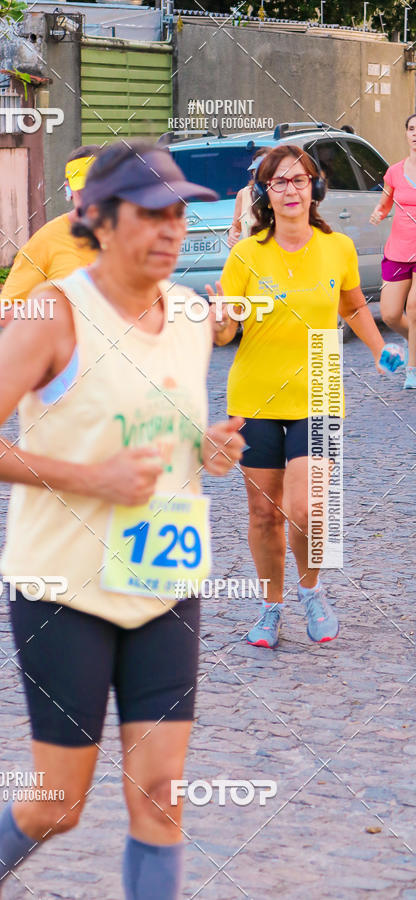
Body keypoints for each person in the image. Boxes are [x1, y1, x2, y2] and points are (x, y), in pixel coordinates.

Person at [0, 140, 245, 900]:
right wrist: (92, 478)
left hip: (165, 575)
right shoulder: (54, 314)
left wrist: (205, 449)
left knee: (161, 788)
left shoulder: (190, 316)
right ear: (99, 222)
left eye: (180, 212)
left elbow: (156, 423)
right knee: (59, 804)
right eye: (151, 213)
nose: (173, 229)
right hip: (62, 587)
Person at [213, 144, 398, 649]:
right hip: (254, 396)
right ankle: (271, 606)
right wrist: (220, 319)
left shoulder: (335, 248)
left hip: (318, 387)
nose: (290, 189)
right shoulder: (247, 255)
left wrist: (382, 350)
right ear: (265, 194)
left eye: (299, 180)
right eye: (279, 182)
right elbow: (227, 335)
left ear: (314, 188)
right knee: (263, 513)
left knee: (308, 509)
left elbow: (354, 305)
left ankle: (311, 590)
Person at [0, 144, 100, 327]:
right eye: (83, 191)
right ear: (68, 191)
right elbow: (7, 313)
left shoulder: (136, 236)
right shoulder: (46, 240)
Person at [370, 112, 416, 389]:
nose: (415, 134)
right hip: (398, 250)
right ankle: (414, 340)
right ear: (406, 133)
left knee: (414, 307)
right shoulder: (395, 172)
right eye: (411, 128)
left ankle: (412, 370)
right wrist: (377, 213)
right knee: (389, 313)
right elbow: (385, 204)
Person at [227, 147, 267, 248]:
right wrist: (232, 235)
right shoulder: (244, 194)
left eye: (265, 169)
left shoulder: (282, 194)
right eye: (256, 170)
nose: (259, 174)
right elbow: (236, 225)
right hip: (251, 258)